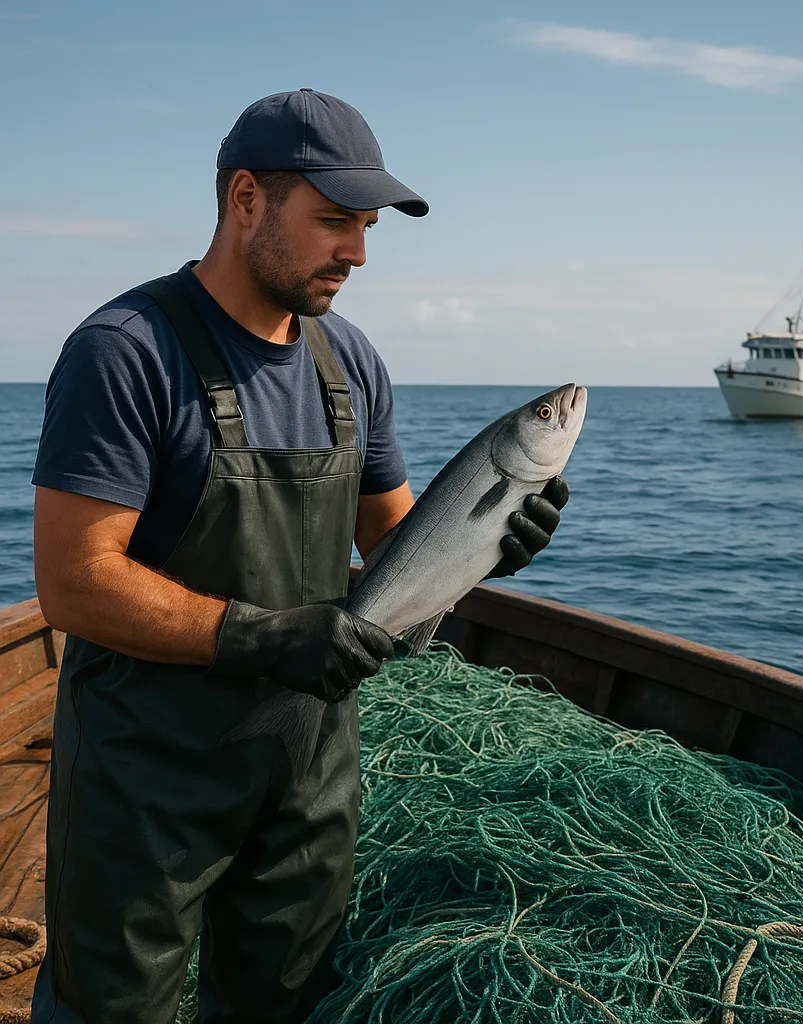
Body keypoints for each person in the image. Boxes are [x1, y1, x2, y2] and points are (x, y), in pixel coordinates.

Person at [30, 89, 568, 1024]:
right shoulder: (124, 353)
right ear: (246, 199)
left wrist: (490, 543)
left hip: (309, 773)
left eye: (366, 228)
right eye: (333, 221)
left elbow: (394, 542)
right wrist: (264, 637)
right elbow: (75, 582)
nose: (356, 253)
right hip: (146, 780)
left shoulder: (349, 363)